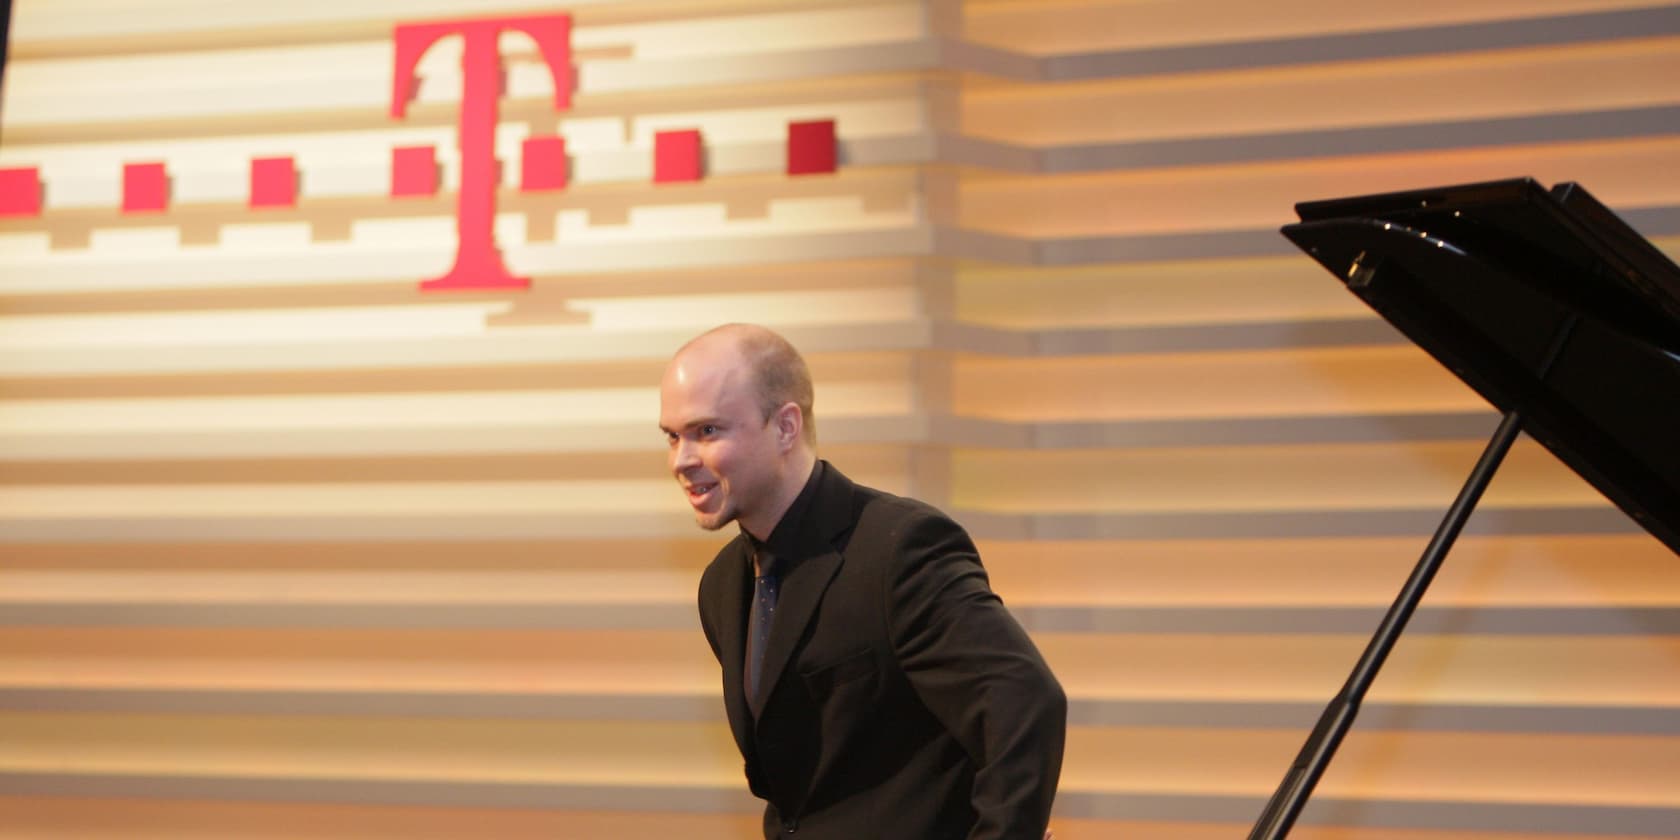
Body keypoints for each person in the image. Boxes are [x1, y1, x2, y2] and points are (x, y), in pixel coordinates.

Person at [658, 323, 1066, 839]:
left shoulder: (901, 547)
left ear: (785, 427)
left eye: (707, 431)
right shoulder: (722, 586)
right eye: (672, 436)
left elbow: (1025, 704)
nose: (681, 460)